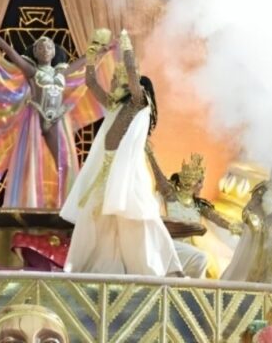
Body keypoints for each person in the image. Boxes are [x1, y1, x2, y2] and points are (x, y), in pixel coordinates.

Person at [60, 30, 183, 276]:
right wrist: (92, 56)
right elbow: (91, 83)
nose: (117, 83)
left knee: (138, 218)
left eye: (122, 80)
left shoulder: (139, 103)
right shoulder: (114, 105)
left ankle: (165, 268)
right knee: (95, 219)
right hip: (105, 170)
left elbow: (135, 80)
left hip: (127, 171)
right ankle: (88, 269)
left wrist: (127, 48)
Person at [0, 20, 113, 208]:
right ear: (35, 52)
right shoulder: (31, 71)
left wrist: (103, 50)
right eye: (41, 47)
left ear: (53, 52)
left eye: (49, 46)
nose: (45, 49)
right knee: (31, 165)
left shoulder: (62, 72)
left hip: (58, 119)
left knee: (65, 163)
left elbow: (84, 60)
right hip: (36, 119)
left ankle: (68, 205)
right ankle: (28, 204)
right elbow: (10, 52)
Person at [149, 151, 242, 278]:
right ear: (188, 181)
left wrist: (233, 227)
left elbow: (216, 218)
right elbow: (160, 178)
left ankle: (191, 291)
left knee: (201, 259)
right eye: (199, 182)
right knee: (201, 257)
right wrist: (150, 155)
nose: (201, 186)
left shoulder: (198, 205)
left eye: (202, 182)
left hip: (187, 249)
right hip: (169, 245)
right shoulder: (172, 197)